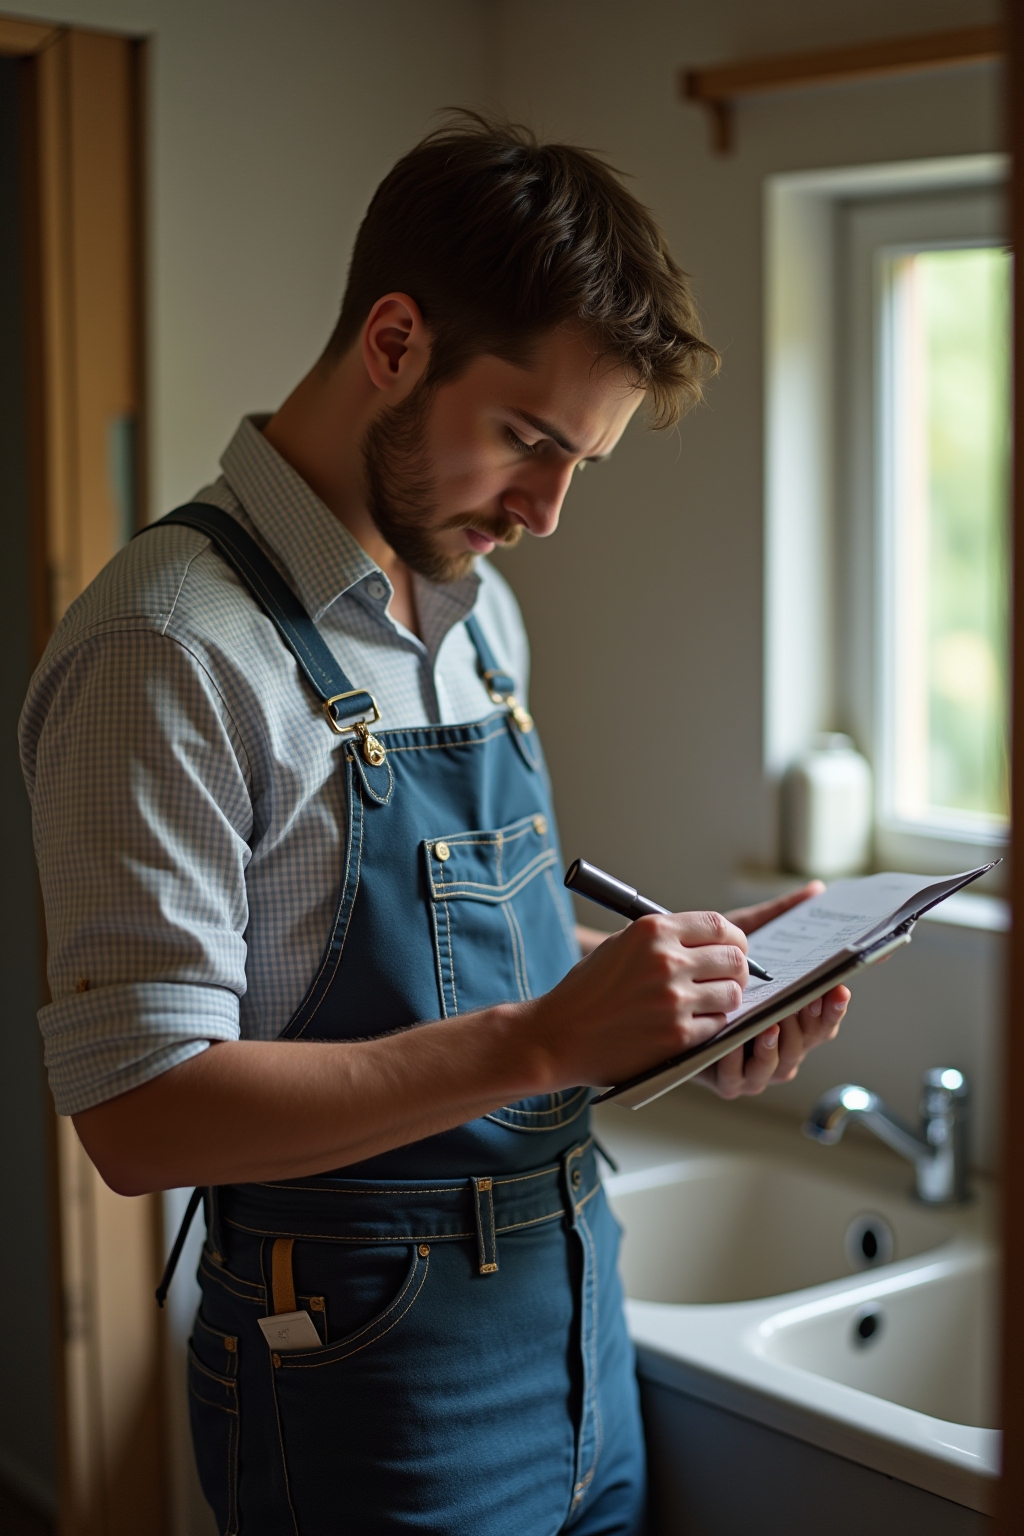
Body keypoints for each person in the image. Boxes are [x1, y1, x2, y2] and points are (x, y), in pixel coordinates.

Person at [20, 114, 849, 1535]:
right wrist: (543, 1040)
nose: (547, 511)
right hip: (363, 1376)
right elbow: (138, 1113)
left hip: (576, 1320)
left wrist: (669, 1007)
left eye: (581, 461)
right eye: (527, 441)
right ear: (393, 343)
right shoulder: (169, 646)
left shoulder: (477, 608)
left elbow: (470, 948)